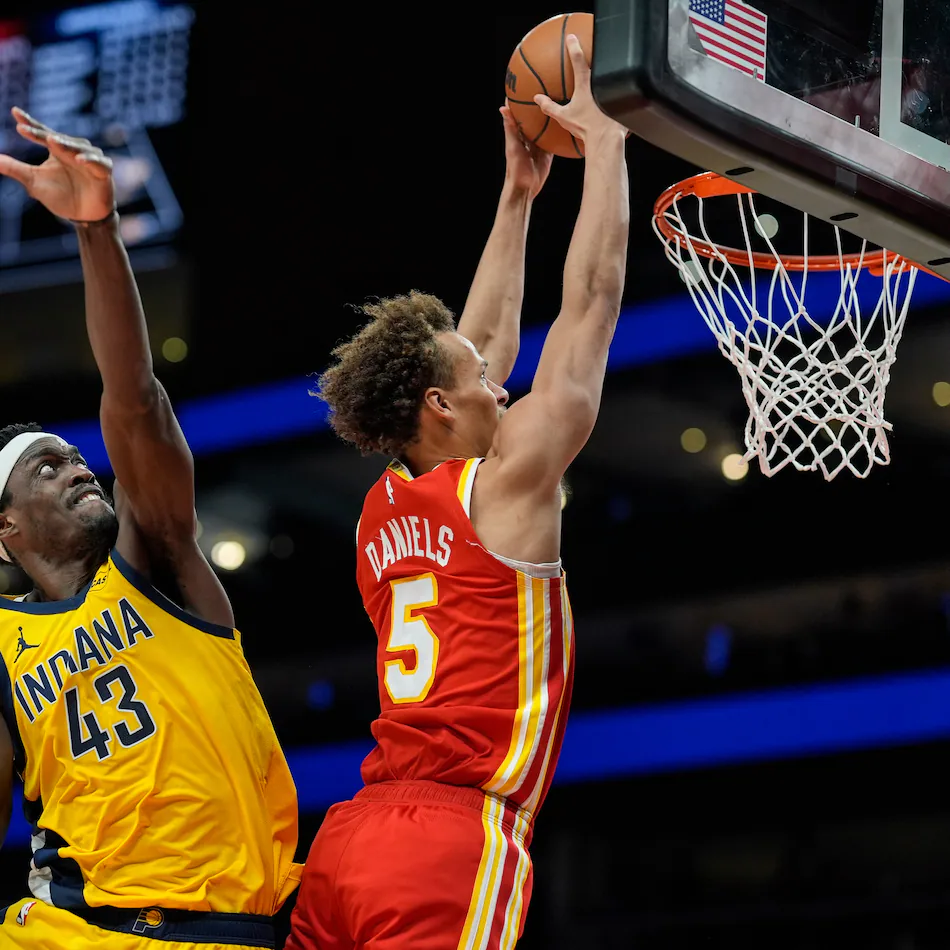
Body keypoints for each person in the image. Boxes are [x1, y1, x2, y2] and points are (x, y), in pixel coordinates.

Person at [286, 34, 630, 950]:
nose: (502, 383)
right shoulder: (508, 480)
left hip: (349, 842)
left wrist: (518, 199)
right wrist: (607, 143)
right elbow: (591, 303)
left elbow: (476, 345)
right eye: (485, 381)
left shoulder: (383, 505)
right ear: (439, 406)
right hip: (451, 837)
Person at [0, 107, 301, 950]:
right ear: (7, 528)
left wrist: (97, 229)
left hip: (232, 928)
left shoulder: (157, 561)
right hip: (75, 931)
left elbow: (134, 401)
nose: (78, 467)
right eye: (46, 467)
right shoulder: (1, 645)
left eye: (74, 456)